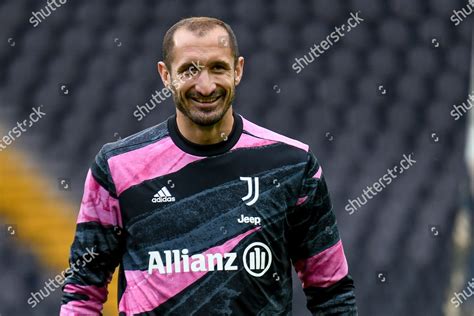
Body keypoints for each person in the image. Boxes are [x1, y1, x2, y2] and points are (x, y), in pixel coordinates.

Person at [60, 16, 357, 315]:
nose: (205, 86)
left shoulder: (292, 165)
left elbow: (331, 292)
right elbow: (83, 288)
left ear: (238, 70)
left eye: (218, 67)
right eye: (189, 70)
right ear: (165, 75)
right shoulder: (118, 166)